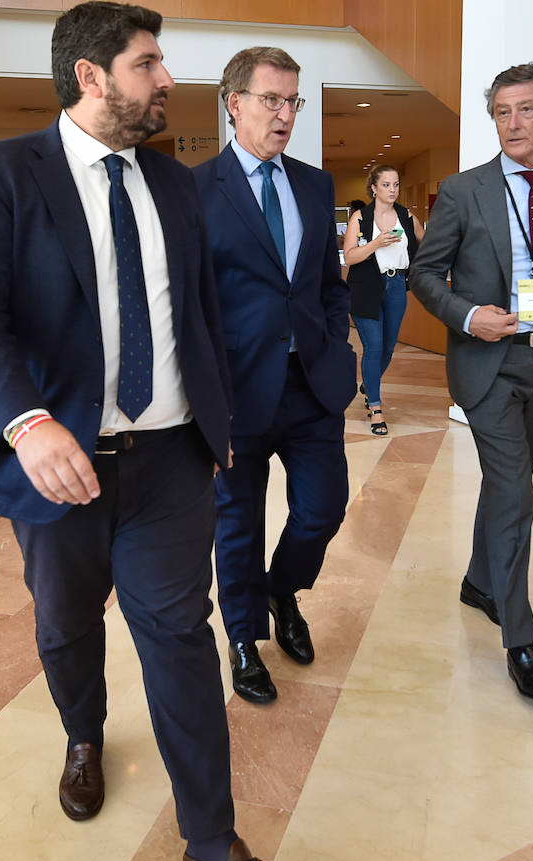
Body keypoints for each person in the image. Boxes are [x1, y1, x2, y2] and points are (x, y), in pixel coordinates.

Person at [0, 4, 298, 861]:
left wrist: (215, 431)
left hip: (170, 461)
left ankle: (211, 848)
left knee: (180, 639)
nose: (166, 80)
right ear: (92, 76)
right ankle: (84, 734)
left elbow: (199, 317)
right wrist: (26, 423)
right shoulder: (7, 177)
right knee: (64, 624)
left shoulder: (175, 184)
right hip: (58, 465)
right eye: (148, 65)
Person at [409, 62, 533, 702]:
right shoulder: (464, 190)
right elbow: (424, 273)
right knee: (515, 493)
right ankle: (521, 642)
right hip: (487, 363)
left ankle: (478, 582)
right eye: (501, 112)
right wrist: (469, 315)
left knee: (509, 483)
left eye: (526, 110)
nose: (513, 123)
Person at [193, 47, 356, 706]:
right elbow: (187, 304)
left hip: (311, 383)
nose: (285, 114)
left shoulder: (315, 186)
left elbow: (326, 281)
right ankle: (241, 639)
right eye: (271, 100)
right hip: (235, 392)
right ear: (234, 104)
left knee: (323, 508)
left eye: (293, 101)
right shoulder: (195, 190)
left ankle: (280, 589)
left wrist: (339, 339)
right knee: (238, 524)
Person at [344, 164, 424, 435]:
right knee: (374, 346)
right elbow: (351, 256)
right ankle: (375, 408)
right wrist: (376, 243)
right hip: (365, 287)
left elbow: (430, 244)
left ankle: (370, 382)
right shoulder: (360, 217)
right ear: (374, 188)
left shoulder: (407, 216)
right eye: (387, 185)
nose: (393, 190)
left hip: (397, 285)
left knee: (389, 346)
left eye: (396, 184)